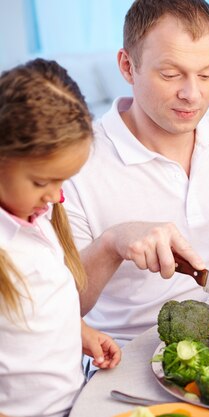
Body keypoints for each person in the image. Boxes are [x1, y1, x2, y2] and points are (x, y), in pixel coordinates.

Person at [63, 0, 209, 345]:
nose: (192, 94)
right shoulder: (77, 162)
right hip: (130, 356)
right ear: (128, 66)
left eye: (206, 74)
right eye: (171, 74)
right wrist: (111, 244)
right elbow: (56, 308)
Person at [0, 59, 121, 417]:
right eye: (41, 182)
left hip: (76, 404)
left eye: (63, 181)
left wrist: (80, 332)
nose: (54, 196)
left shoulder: (40, 213)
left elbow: (38, 305)